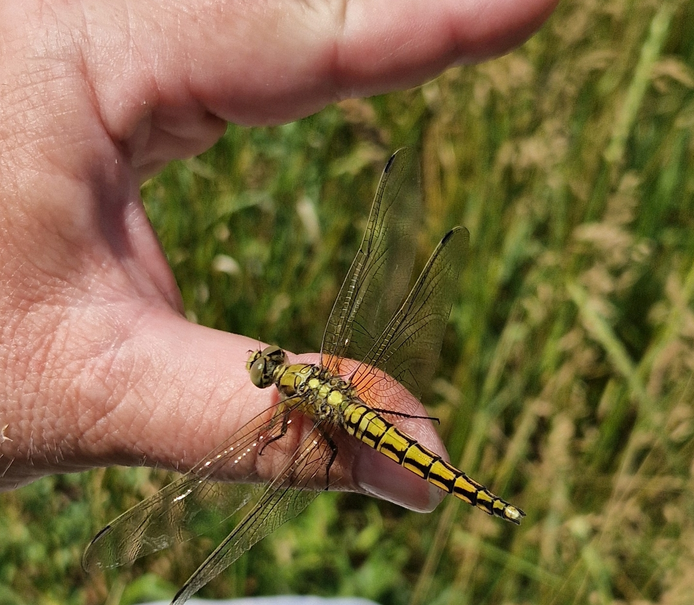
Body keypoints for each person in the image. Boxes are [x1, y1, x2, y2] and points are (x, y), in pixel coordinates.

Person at [0, 0, 557, 508]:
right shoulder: (322, 378)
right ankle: (479, 492)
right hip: (365, 411)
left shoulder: (291, 406)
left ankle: (482, 498)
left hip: (356, 421)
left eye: (264, 364)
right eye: (268, 363)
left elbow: (275, 436)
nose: (264, 364)